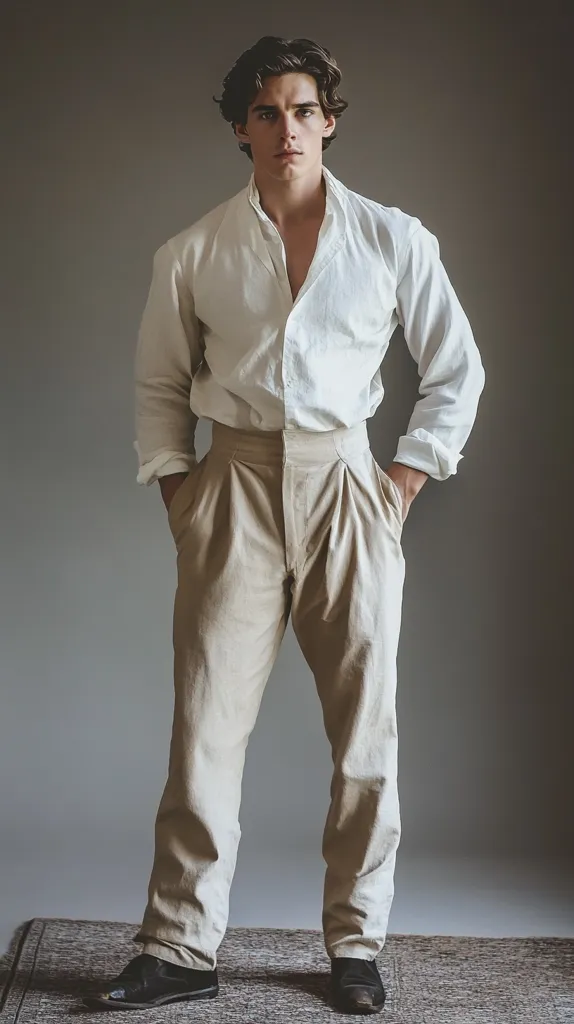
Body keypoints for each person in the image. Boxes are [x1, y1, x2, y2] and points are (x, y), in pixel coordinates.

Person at [82, 34, 485, 1015]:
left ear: (329, 121)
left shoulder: (393, 238)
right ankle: (180, 946)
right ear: (239, 129)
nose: (286, 128)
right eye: (266, 112)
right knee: (204, 729)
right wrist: (183, 495)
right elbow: (158, 387)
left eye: (303, 109)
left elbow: (454, 372)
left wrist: (399, 480)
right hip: (235, 486)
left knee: (364, 735)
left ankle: (354, 944)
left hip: (349, 483)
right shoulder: (194, 252)